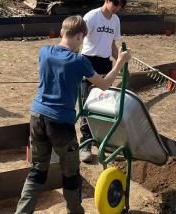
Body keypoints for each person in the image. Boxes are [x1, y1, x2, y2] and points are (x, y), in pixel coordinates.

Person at [14, 16, 131, 214]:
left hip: (37, 116)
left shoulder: (44, 52)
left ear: (61, 32)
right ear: (79, 36)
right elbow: (103, 85)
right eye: (82, 39)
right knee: (70, 174)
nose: (82, 43)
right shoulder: (79, 61)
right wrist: (119, 62)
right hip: (60, 122)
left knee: (37, 171)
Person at [78, 0, 127, 163]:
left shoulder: (115, 20)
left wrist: (119, 61)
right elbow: (79, 40)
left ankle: (103, 142)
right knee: (87, 104)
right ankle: (85, 144)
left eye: (120, 6)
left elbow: (112, 44)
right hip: (88, 61)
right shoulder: (91, 17)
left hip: (105, 63)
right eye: (115, 4)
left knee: (103, 104)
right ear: (107, 0)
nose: (117, 8)